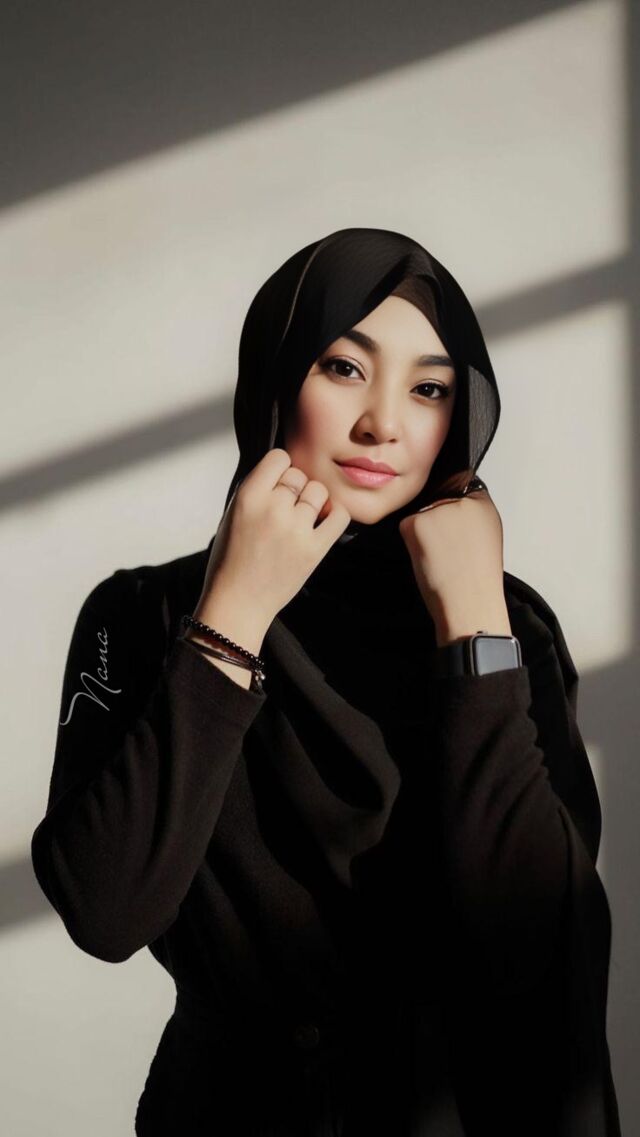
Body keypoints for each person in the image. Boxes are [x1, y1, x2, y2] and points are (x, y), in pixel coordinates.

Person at [31, 227, 621, 1136]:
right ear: (275, 378)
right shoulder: (141, 615)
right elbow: (107, 911)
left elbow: (539, 955)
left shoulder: (510, 625)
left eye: (428, 388)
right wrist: (232, 613)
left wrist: (473, 626)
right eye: (345, 368)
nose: (384, 423)